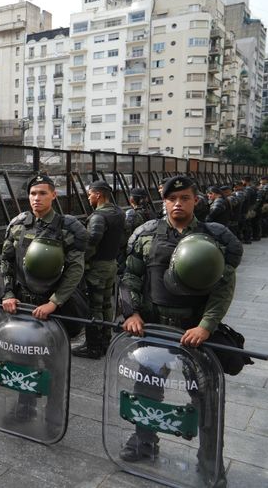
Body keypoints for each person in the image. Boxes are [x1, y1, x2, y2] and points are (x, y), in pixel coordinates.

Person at [120, 175, 242, 487]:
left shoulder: (213, 237)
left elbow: (223, 286)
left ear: (195, 200)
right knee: (146, 389)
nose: (178, 204)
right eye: (172, 198)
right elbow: (131, 277)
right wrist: (131, 312)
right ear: (163, 201)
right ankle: (143, 441)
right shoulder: (145, 235)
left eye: (185, 198)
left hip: (194, 333)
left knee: (205, 397)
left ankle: (209, 461)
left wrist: (206, 325)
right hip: (155, 329)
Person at [0, 173, 89, 419]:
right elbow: (4, 262)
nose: (37, 198)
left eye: (43, 193)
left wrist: (54, 302)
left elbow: (75, 270)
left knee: (53, 363)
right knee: (21, 357)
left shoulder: (68, 228)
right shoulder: (18, 225)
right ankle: (25, 406)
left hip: (52, 309)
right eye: (33, 194)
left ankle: (53, 414)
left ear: (54, 195)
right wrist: (7, 293)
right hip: (23, 306)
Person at [73, 180, 124, 359]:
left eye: (89, 194)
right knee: (106, 304)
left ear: (98, 195)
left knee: (94, 306)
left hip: (98, 267)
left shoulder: (98, 216)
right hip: (111, 264)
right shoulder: (118, 212)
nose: (88, 198)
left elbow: (93, 240)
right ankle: (105, 341)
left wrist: (81, 261)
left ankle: (93, 346)